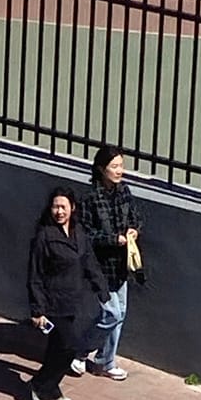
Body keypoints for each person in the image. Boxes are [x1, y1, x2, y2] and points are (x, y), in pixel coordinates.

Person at [26, 186, 109, 400]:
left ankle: (51, 387)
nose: (59, 212)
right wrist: (37, 309)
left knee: (56, 347)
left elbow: (89, 261)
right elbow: (35, 274)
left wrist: (101, 288)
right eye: (55, 207)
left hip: (72, 301)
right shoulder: (44, 236)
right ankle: (40, 384)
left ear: (72, 208)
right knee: (70, 346)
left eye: (63, 207)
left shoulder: (78, 232)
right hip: (52, 303)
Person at [72, 144, 142, 381]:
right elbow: (86, 234)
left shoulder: (124, 191)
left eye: (121, 166)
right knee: (111, 314)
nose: (120, 170)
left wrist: (133, 229)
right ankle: (80, 350)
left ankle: (105, 361)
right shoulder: (90, 198)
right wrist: (113, 239)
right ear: (102, 169)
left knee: (119, 314)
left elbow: (135, 217)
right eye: (114, 166)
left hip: (121, 265)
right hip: (101, 267)